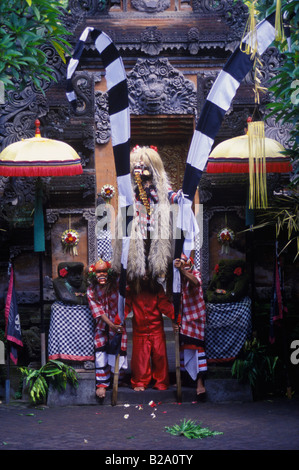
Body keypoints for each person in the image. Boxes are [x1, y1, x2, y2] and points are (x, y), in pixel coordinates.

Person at [125, 273, 176, 391]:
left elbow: (164, 305)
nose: (145, 277)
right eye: (142, 274)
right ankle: (140, 382)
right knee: (140, 358)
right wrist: (118, 320)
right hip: (139, 329)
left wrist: (175, 317)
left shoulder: (157, 288)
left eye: (148, 274)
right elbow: (126, 306)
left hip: (156, 329)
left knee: (160, 356)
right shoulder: (132, 289)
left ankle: (161, 382)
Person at [87, 259, 127, 399]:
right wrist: (111, 325)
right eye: (98, 272)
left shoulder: (116, 285)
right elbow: (98, 311)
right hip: (103, 325)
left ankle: (118, 380)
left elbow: (125, 300)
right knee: (101, 353)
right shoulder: (91, 290)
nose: (102, 274)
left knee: (118, 351)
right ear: (93, 273)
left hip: (118, 323)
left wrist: (118, 323)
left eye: (104, 271)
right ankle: (102, 384)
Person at [173, 254, 207, 398]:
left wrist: (182, 271)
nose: (184, 264)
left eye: (186, 262)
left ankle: (200, 382)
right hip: (183, 316)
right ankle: (183, 379)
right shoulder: (176, 276)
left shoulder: (196, 272)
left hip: (196, 318)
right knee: (183, 348)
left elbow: (195, 283)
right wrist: (174, 320)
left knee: (198, 349)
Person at [48, 262, 94, 364]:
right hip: (65, 313)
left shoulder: (84, 282)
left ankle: (86, 357)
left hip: (84, 315)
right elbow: (66, 297)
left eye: (79, 274)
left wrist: (79, 298)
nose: (78, 277)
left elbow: (88, 298)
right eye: (74, 274)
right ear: (66, 275)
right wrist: (80, 298)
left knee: (86, 335)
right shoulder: (59, 282)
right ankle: (63, 357)